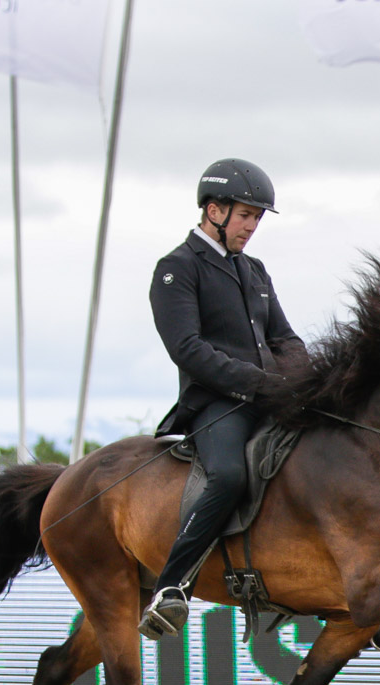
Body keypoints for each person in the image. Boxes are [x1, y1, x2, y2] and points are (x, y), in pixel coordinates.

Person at [140, 158, 306, 640]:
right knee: (231, 473)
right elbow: (187, 348)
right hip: (217, 403)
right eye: (246, 216)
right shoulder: (177, 269)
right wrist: (258, 383)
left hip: (272, 396)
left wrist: (306, 377)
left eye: (257, 217)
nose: (252, 227)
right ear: (214, 210)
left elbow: (286, 339)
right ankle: (172, 587)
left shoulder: (254, 271)